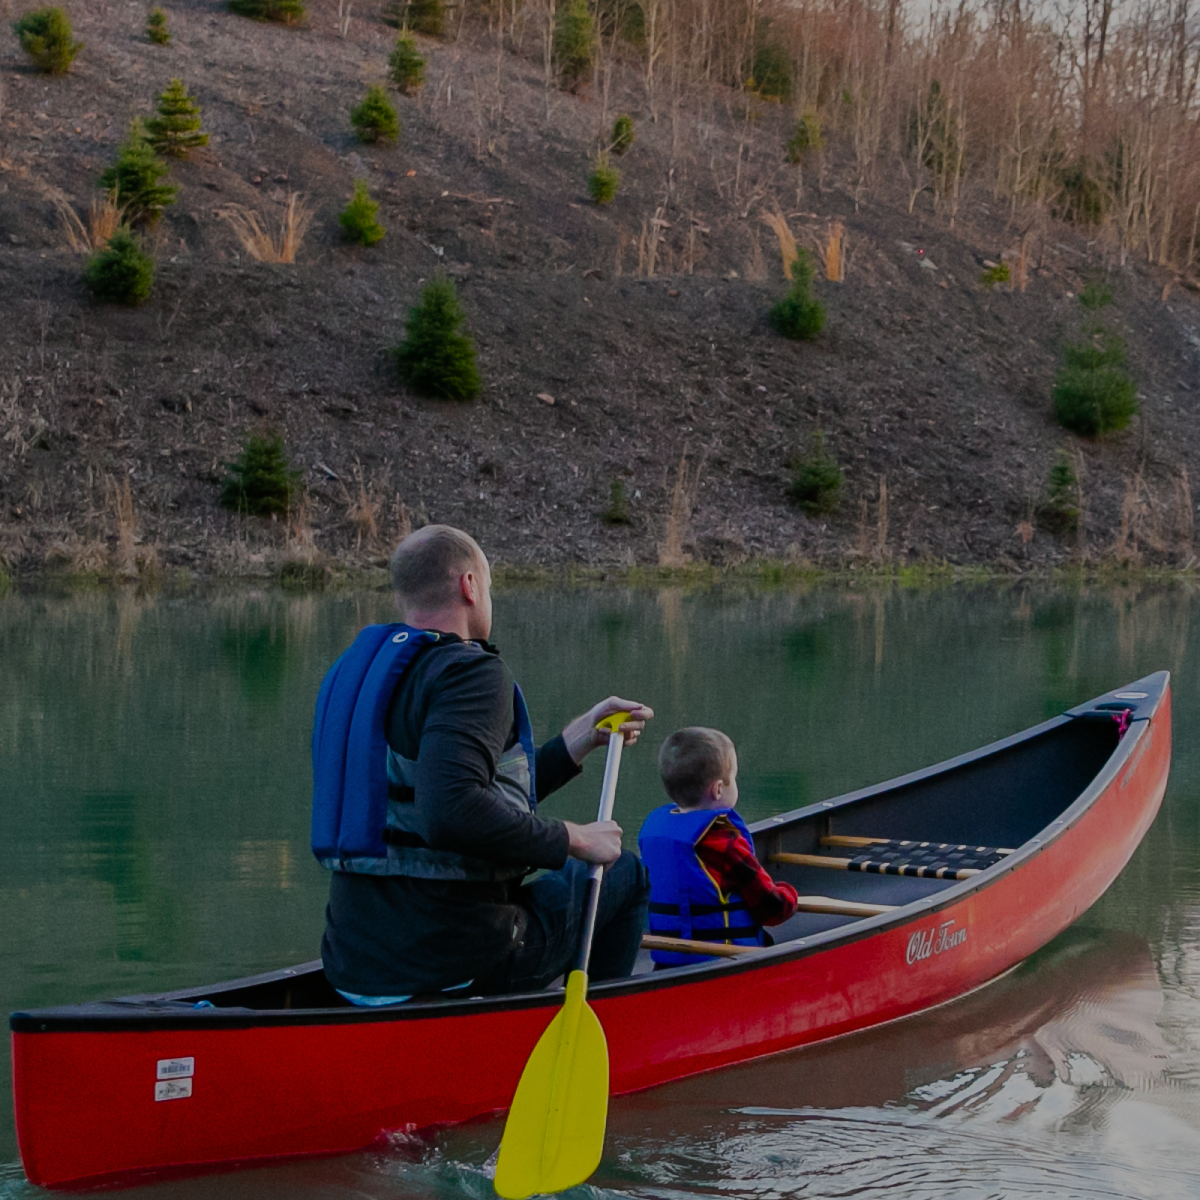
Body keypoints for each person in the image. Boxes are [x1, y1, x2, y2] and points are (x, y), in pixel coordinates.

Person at [312, 524, 653, 1003]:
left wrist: (576, 741)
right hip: (453, 965)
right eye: (489, 587)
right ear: (469, 586)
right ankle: (608, 1038)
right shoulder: (470, 671)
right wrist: (576, 838)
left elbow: (448, 790)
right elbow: (450, 809)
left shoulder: (360, 674)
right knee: (625, 873)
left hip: (355, 966)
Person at [638, 727, 798, 966]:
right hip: (727, 962)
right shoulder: (723, 841)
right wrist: (790, 896)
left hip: (667, 963)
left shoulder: (654, 831)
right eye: (734, 778)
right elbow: (772, 908)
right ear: (718, 789)